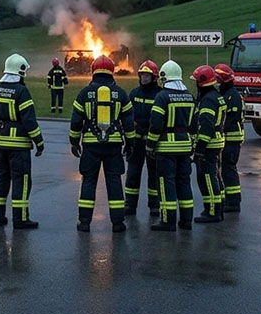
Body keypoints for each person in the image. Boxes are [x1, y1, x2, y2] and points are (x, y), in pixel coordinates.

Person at [69, 55, 135, 233]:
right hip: (114, 146)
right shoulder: (121, 94)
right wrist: (130, 143)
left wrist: (74, 142)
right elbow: (129, 123)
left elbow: (76, 121)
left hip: (91, 146)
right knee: (114, 183)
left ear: (93, 71)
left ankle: (84, 222)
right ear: (112, 71)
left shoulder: (84, 93)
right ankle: (118, 223)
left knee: (89, 182)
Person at [0, 53, 44, 229]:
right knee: (21, 180)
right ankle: (21, 219)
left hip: (1, 145)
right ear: (21, 71)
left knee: (1, 179)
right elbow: (29, 121)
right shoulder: (21, 92)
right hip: (19, 147)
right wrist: (39, 141)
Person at [146, 60, 196, 232]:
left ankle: (168, 221)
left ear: (163, 76)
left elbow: (156, 125)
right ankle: (186, 220)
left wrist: (150, 145)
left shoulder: (162, 97)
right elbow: (195, 125)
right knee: (184, 183)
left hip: (166, 149)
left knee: (166, 183)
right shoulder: (190, 95)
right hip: (185, 147)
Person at [124, 60, 161, 217]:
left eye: (147, 75)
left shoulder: (160, 95)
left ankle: (154, 206)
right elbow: (126, 116)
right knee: (133, 173)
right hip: (136, 142)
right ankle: (130, 205)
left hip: (153, 143)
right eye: (142, 75)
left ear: (154, 77)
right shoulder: (134, 94)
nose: (144, 78)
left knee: (154, 174)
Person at [190, 65, 225, 224]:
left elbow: (206, 126)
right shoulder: (215, 96)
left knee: (207, 178)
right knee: (214, 176)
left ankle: (213, 211)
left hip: (209, 144)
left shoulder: (208, 100)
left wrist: (199, 149)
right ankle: (218, 208)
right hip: (216, 142)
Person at [215, 64, 245, 212]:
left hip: (232, 139)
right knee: (225, 169)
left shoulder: (233, 96)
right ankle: (230, 199)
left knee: (229, 168)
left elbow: (229, 119)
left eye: (219, 80)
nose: (217, 83)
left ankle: (233, 202)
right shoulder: (227, 95)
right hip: (226, 139)